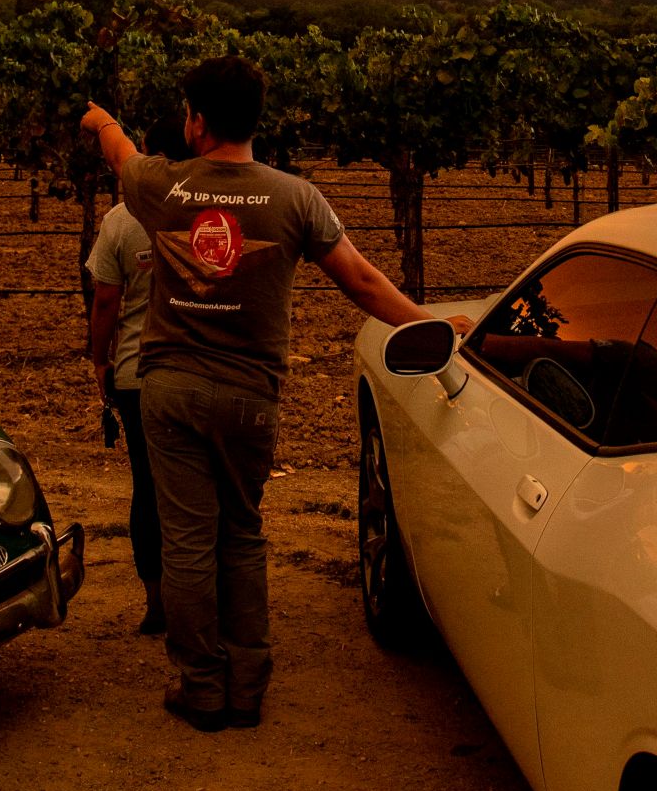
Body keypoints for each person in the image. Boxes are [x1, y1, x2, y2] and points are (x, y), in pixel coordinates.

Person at [81, 56, 464, 733]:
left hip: (168, 394)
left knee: (188, 544)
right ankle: (248, 683)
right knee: (243, 532)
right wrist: (433, 324)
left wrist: (100, 117)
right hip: (250, 396)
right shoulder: (294, 198)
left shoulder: (162, 188)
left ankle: (201, 686)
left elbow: (121, 153)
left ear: (196, 122)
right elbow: (364, 284)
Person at [85, 119, 187, 637]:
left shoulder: (121, 222)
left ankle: (156, 601)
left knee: (147, 488)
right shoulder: (211, 212)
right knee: (194, 490)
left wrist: (98, 360)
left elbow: (106, 299)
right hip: (194, 370)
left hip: (136, 374)